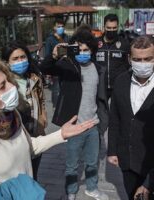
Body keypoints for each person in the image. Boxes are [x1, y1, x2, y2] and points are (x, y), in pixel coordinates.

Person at [0, 58, 95, 200]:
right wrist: (10, 192)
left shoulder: (12, 115)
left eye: (8, 80)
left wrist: (60, 135)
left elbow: (28, 147)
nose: (12, 86)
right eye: (2, 86)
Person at [40, 30, 109, 200]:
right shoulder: (67, 65)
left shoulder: (98, 68)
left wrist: (103, 119)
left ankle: (91, 188)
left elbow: (101, 96)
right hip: (74, 125)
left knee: (93, 162)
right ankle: (71, 191)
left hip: (93, 124)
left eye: (86, 50)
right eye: (79, 50)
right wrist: (54, 55)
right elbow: (45, 68)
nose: (83, 53)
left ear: (92, 50)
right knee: (72, 164)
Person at [107, 35, 154, 200]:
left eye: (147, 59)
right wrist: (112, 150)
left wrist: (148, 183)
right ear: (129, 59)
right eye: (137, 59)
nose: (142, 64)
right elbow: (114, 119)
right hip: (127, 161)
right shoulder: (121, 81)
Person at [1, 41, 47, 180]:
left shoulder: (34, 78)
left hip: (35, 135)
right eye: (15, 59)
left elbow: (41, 101)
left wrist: (43, 118)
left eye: (23, 57)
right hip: (14, 139)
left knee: (34, 175)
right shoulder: (3, 84)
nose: (20, 61)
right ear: (7, 62)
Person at [95, 13, 130, 99]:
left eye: (114, 28)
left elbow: (128, 64)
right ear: (104, 27)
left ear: (117, 27)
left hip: (119, 87)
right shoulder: (95, 43)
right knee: (102, 112)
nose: (112, 30)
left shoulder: (124, 43)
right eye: (109, 28)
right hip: (100, 87)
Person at [45, 18, 69, 109]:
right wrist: (48, 71)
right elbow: (47, 54)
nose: (61, 28)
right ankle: (56, 106)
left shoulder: (66, 37)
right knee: (56, 87)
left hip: (65, 65)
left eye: (62, 26)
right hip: (55, 66)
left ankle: (65, 104)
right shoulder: (50, 39)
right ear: (54, 27)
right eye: (59, 26)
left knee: (65, 85)